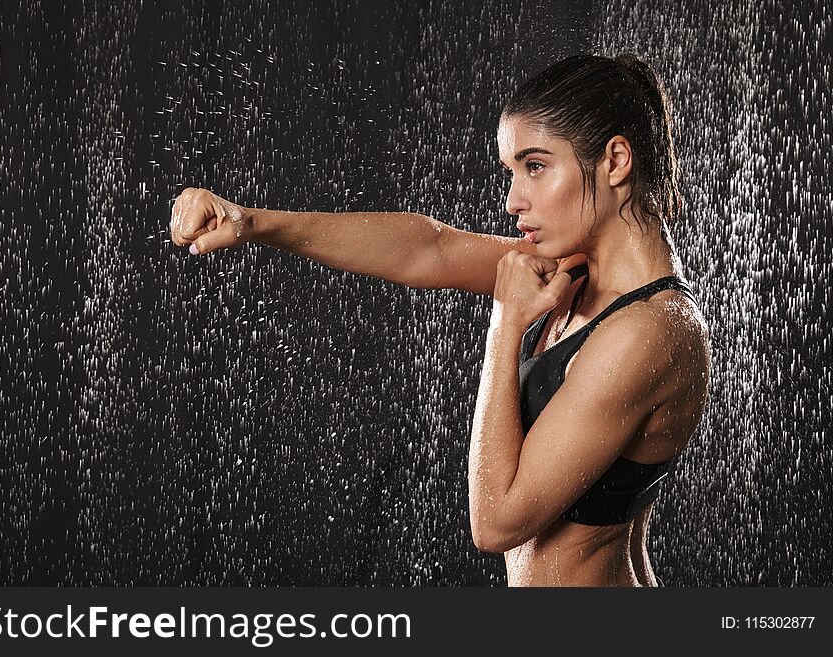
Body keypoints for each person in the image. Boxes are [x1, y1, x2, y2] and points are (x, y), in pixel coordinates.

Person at [169, 53, 710, 587]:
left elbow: (497, 522)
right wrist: (253, 222)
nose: (512, 200)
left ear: (616, 161)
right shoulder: (579, 275)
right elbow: (430, 249)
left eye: (536, 166)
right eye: (512, 171)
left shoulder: (649, 330)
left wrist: (506, 323)